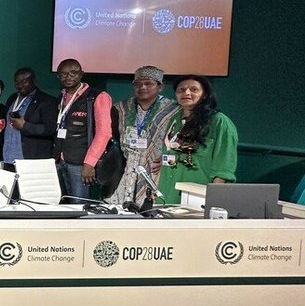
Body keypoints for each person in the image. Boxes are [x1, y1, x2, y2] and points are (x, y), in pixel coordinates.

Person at [157, 75, 238, 205]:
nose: (186, 93)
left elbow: (223, 168)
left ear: (205, 94)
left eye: (194, 89)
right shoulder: (173, 119)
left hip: (197, 198)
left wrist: (213, 202)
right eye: (181, 90)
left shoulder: (219, 122)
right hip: (167, 195)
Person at [109, 66, 180, 206]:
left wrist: (167, 159)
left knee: (150, 212)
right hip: (125, 170)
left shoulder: (173, 110)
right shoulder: (121, 108)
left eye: (148, 83)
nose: (142, 87)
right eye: (137, 84)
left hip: (154, 170)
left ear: (160, 87)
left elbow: (180, 143)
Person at [53, 59, 112, 201]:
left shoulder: (97, 96)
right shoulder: (62, 96)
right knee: (64, 205)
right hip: (60, 161)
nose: (68, 77)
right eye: (63, 74)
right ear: (58, 77)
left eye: (73, 73)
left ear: (81, 74)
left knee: (80, 207)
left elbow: (104, 133)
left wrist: (89, 163)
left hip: (81, 164)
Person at [2, 68, 58, 169]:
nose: (19, 85)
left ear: (33, 81)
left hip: (30, 159)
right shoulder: (12, 98)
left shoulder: (47, 101)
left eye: (24, 81)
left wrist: (25, 126)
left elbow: (50, 129)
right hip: (8, 157)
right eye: (17, 82)